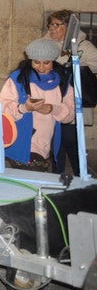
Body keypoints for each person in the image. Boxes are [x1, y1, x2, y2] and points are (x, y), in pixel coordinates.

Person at [0, 38, 74, 171]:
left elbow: (70, 115)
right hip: (22, 143)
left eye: (46, 63)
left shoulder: (63, 81)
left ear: (53, 61)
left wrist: (52, 109)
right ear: (30, 60)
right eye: (36, 62)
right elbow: (1, 110)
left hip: (47, 143)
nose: (41, 67)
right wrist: (24, 108)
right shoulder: (18, 78)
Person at [43, 9, 97, 175]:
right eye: (50, 24)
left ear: (69, 27)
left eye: (56, 25)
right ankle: (57, 178)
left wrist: (79, 68)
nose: (52, 28)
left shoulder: (82, 46)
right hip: (50, 101)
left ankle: (82, 178)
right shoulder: (43, 44)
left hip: (71, 103)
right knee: (55, 144)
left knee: (70, 142)